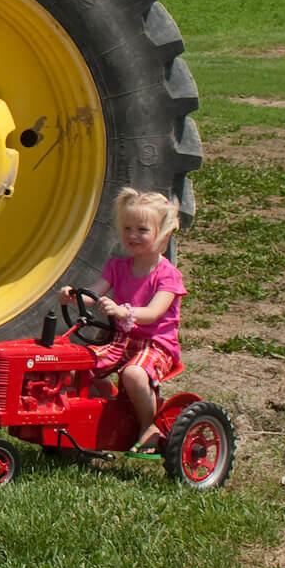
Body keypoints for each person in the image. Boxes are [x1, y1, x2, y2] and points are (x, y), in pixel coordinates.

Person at [62, 187, 187, 452]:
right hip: (120, 340)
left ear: (162, 234)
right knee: (78, 368)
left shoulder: (167, 275)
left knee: (133, 374)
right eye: (128, 229)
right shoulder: (117, 267)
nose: (133, 235)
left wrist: (123, 311)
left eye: (142, 230)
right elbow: (93, 293)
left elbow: (154, 312)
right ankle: (110, 407)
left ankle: (149, 425)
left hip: (155, 345)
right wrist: (74, 296)